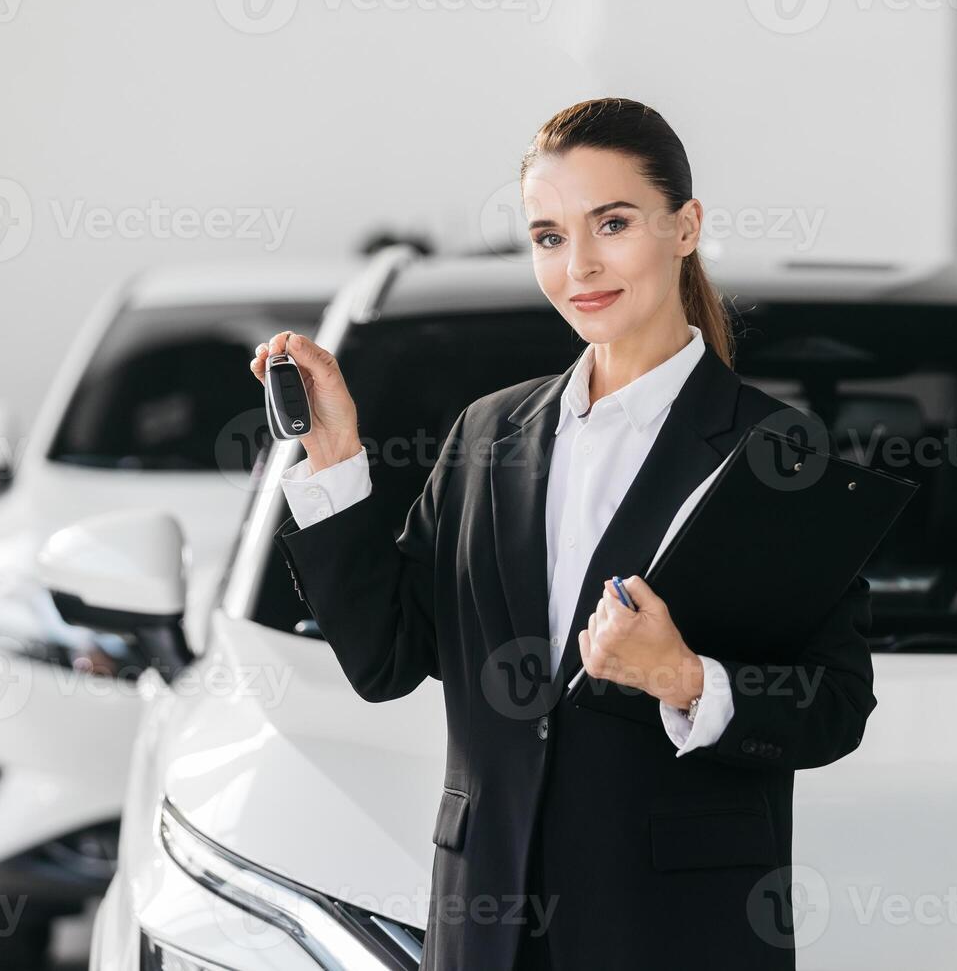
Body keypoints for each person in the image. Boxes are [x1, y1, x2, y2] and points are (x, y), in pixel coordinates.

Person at [252, 97, 877, 971]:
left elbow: (836, 706)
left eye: (611, 224)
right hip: (487, 928)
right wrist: (334, 457)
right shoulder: (484, 435)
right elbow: (385, 658)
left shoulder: (776, 451)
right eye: (548, 236)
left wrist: (687, 680)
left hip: (675, 934)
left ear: (685, 226)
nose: (579, 264)